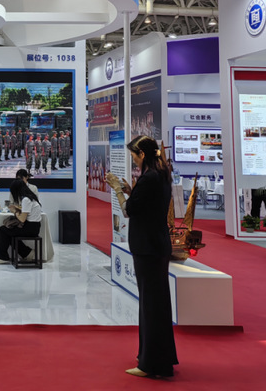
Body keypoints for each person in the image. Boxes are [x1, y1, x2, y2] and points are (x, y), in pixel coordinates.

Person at [106, 135, 178, 378]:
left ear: (142, 154)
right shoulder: (161, 175)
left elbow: (128, 210)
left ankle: (152, 363)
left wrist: (117, 189)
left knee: (151, 306)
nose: (133, 161)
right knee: (156, 304)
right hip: (156, 245)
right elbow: (145, 204)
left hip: (148, 247)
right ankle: (156, 358)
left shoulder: (149, 178)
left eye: (134, 156)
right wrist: (131, 190)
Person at [0, 180, 42, 264]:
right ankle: (27, 253)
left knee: (3, 230)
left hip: (30, 228)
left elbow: (22, 219)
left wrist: (14, 211)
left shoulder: (26, 199)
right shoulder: (31, 198)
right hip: (34, 227)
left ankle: (2, 257)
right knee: (9, 232)